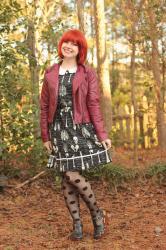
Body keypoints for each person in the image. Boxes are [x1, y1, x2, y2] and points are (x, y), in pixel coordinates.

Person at [40, 29, 112, 240]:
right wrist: (45, 136)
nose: (68, 46)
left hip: (80, 129)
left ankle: (97, 215)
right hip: (59, 131)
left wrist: (102, 134)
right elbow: (44, 106)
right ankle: (78, 225)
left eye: (74, 44)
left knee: (71, 175)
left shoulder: (87, 73)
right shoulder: (51, 72)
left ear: (80, 49)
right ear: (61, 46)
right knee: (66, 177)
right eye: (66, 42)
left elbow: (93, 103)